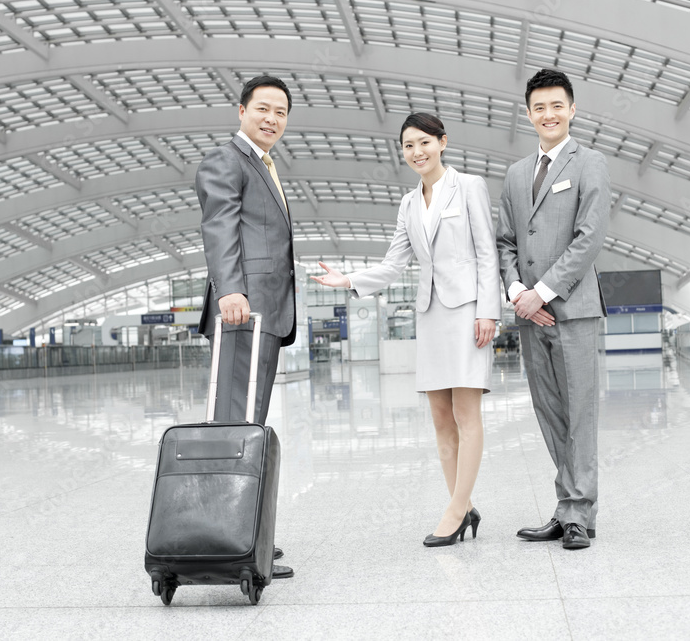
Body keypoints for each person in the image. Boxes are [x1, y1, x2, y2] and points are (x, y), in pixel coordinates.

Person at [312, 113, 500, 547]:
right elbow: (395, 263)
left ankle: (455, 509)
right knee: (440, 417)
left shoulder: (468, 187)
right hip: (431, 314)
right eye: (408, 146)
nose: (416, 152)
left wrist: (488, 310)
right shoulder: (409, 203)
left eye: (424, 143)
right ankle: (464, 505)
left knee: (467, 414)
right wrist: (349, 280)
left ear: (443, 142)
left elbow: (486, 252)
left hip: (469, 311)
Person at [495, 68, 610, 550]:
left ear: (572, 109)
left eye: (557, 106)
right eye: (539, 107)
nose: (549, 114)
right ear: (529, 114)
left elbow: (589, 239)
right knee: (549, 413)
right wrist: (518, 290)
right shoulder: (517, 174)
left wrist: (540, 292)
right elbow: (505, 241)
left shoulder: (590, 163)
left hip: (574, 311)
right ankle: (566, 509)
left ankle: (580, 513)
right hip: (530, 314)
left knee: (580, 413)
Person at [196, 75, 296, 578]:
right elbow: (219, 226)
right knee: (232, 426)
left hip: (265, 314)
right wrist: (230, 289)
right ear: (241, 110)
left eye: (280, 111)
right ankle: (221, 538)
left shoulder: (265, 165)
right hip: (243, 312)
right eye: (263, 109)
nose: (272, 118)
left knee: (247, 424)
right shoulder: (227, 161)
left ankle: (242, 535)